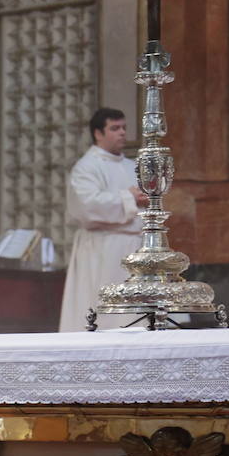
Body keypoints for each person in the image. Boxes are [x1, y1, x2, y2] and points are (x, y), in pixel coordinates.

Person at [58, 108, 149, 331]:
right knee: (107, 317)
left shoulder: (133, 166)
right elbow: (87, 206)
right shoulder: (86, 167)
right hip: (104, 248)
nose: (122, 133)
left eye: (124, 128)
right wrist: (129, 197)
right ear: (98, 133)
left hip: (137, 247)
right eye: (114, 128)